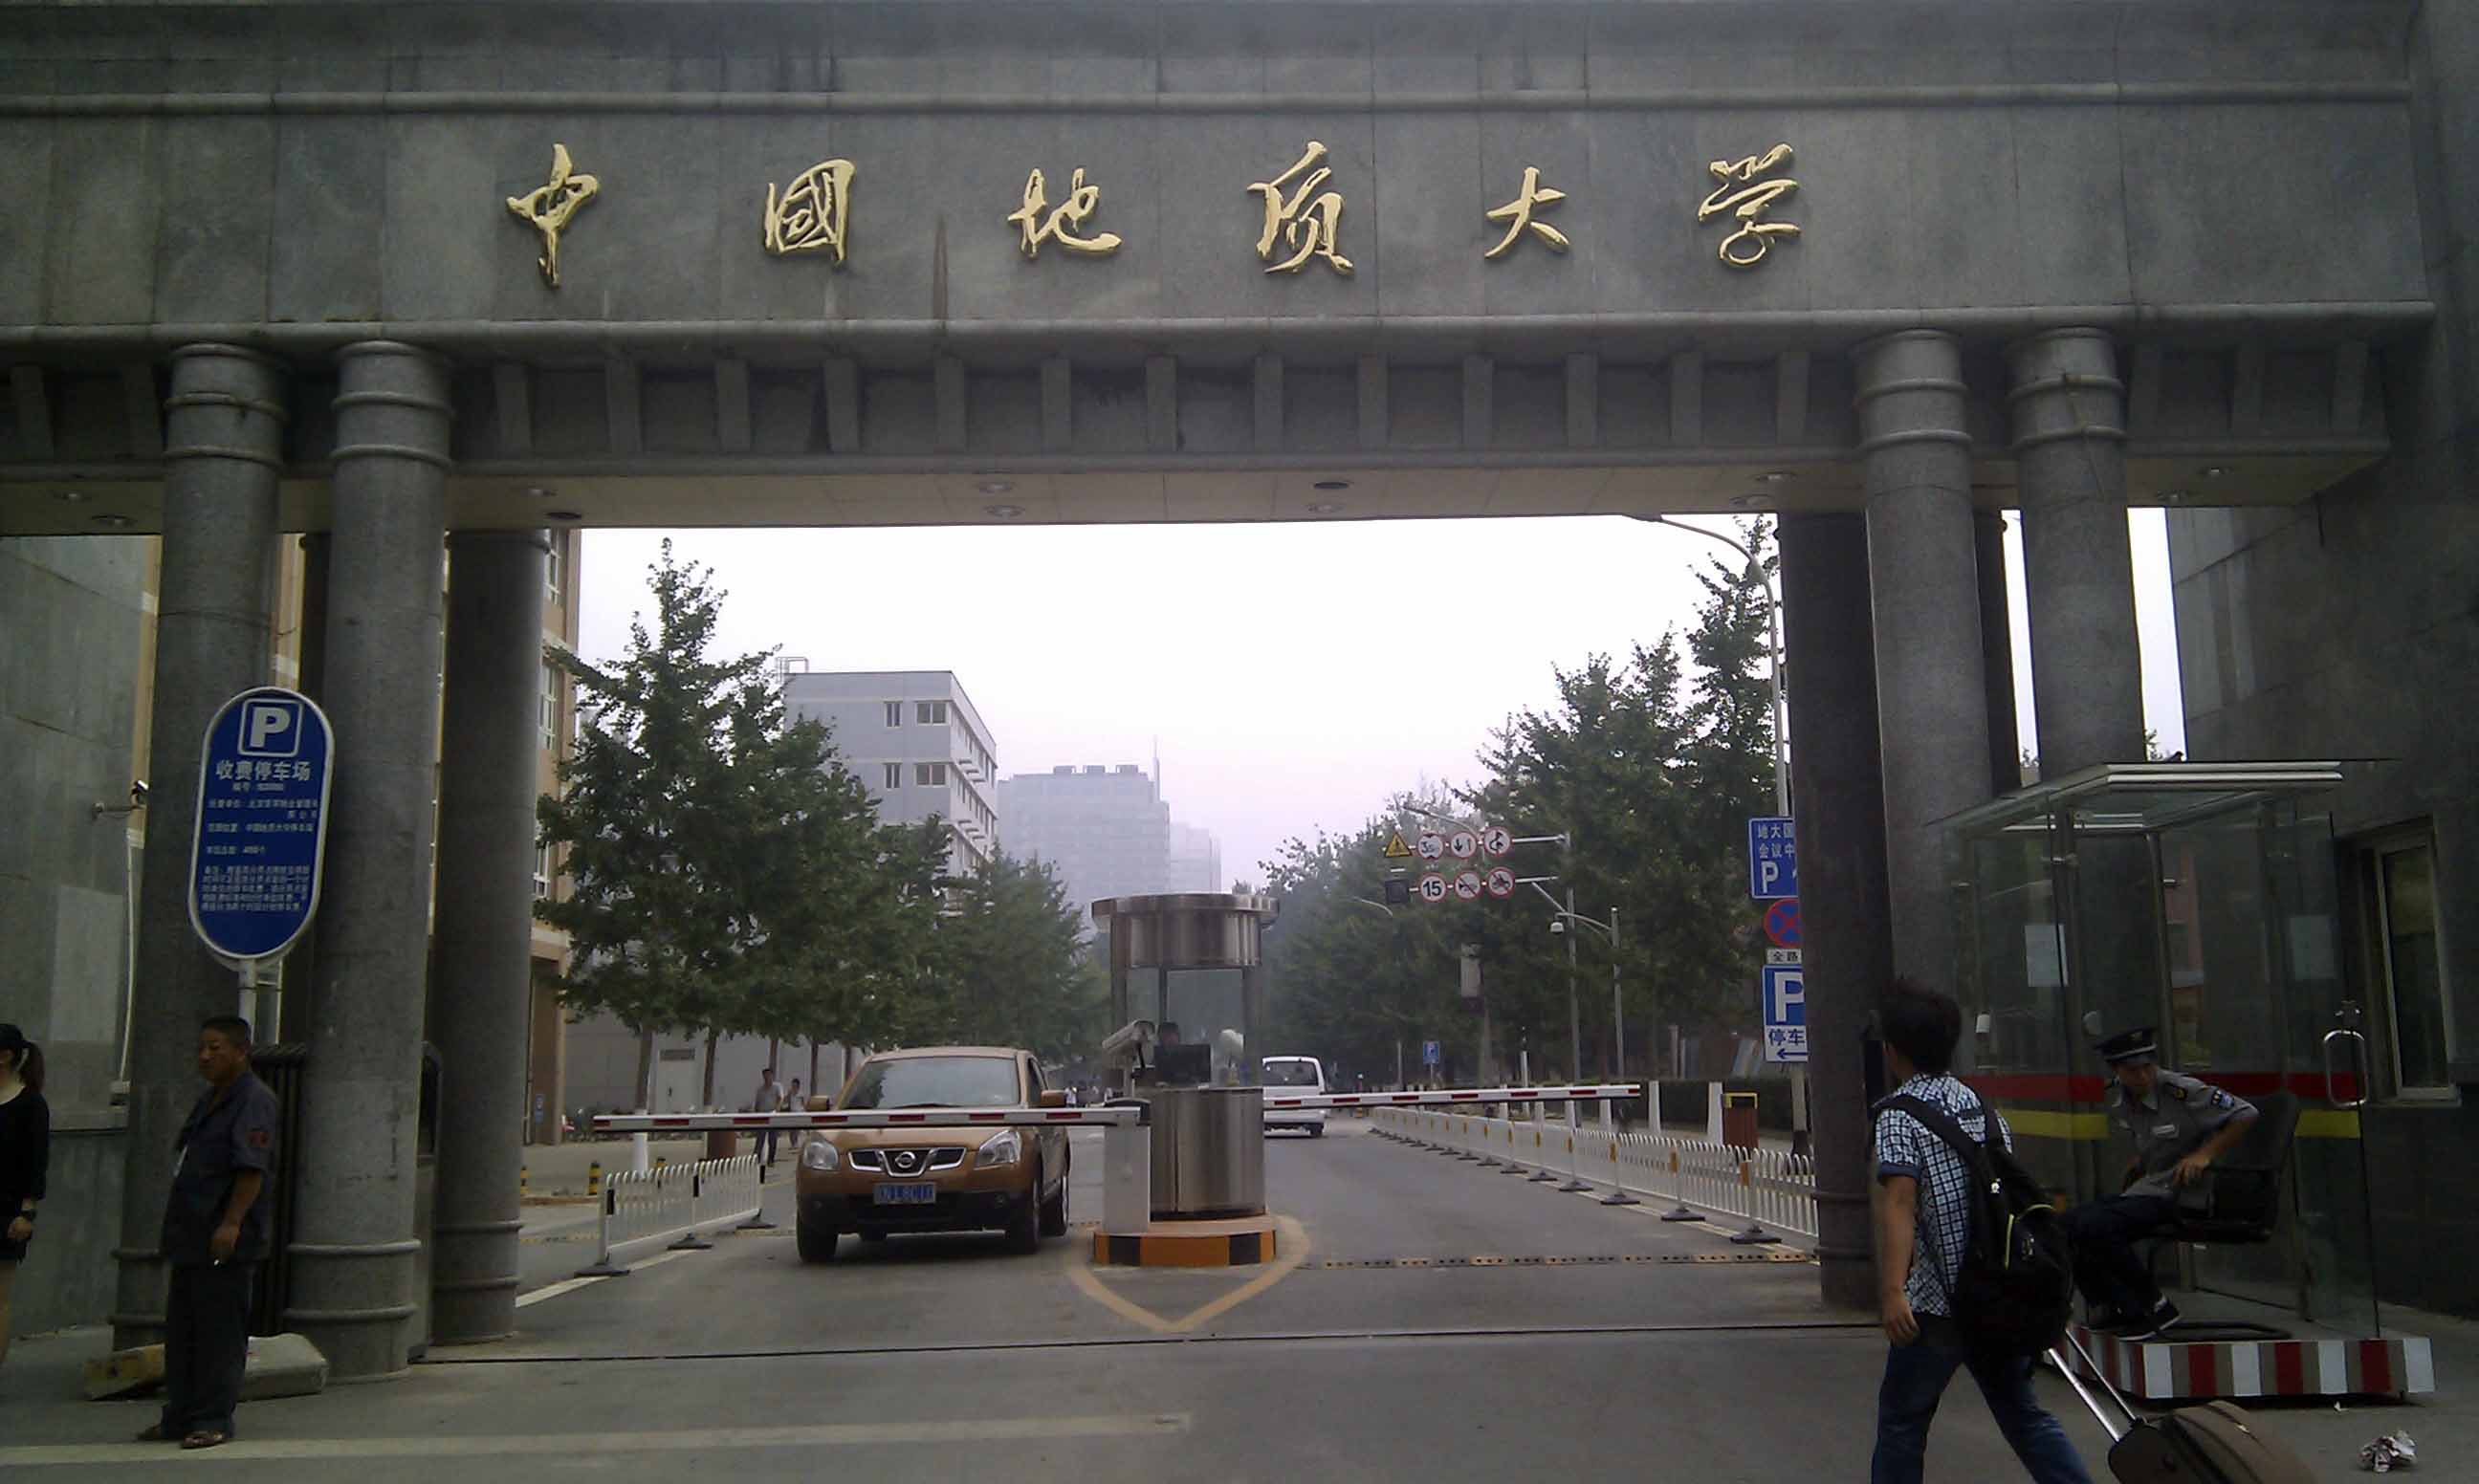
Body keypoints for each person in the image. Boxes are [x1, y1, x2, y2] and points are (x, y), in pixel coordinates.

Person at [1871, 978, 2092, 1484]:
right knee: (2025, 1417)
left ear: (1893, 1051)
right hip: (1998, 1292)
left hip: (1938, 1303)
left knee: (1903, 1421)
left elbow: (1900, 1203)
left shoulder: (1897, 1116)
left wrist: (1892, 1290)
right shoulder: (1981, 1108)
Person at [2061, 1026, 2258, 1339]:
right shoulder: (2122, 1098)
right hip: (2151, 1188)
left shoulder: (2180, 1090)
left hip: (2182, 1194)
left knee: (2098, 1226)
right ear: (2116, 1070)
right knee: (2067, 1224)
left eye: (2147, 1067)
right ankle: (2109, 1304)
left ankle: (2153, 1305)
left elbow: (2246, 1113)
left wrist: (2204, 1155)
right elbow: (2158, 1137)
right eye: (2132, 1070)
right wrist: (2141, 1161)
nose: (2142, 1076)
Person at [141, 1016, 279, 1451]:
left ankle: (213, 1418)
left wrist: (231, 1222)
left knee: (219, 1332)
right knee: (184, 1330)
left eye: (215, 1048)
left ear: (241, 1051)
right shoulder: (210, 1099)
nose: (204, 1056)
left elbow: (250, 1169)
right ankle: (179, 1414)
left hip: (225, 1237)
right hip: (191, 1232)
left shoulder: (253, 1101)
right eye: (201, 1048)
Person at [0, 1023, 51, 1385]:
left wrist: (26, 1211)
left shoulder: (30, 1104)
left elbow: (37, 1162)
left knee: (0, 1296)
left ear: (5, 1057)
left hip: (6, 1211)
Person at [753, 1067, 785, 1169]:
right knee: (760, 1138)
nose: (767, 1077)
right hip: (762, 1116)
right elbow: (757, 1103)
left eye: (769, 1075)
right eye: (765, 1076)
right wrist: (755, 1115)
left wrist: (776, 1110)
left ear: (772, 1076)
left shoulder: (777, 1087)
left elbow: (780, 1099)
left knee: (772, 1139)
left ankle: (771, 1160)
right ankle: (756, 1158)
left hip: (773, 1115)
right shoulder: (760, 1089)